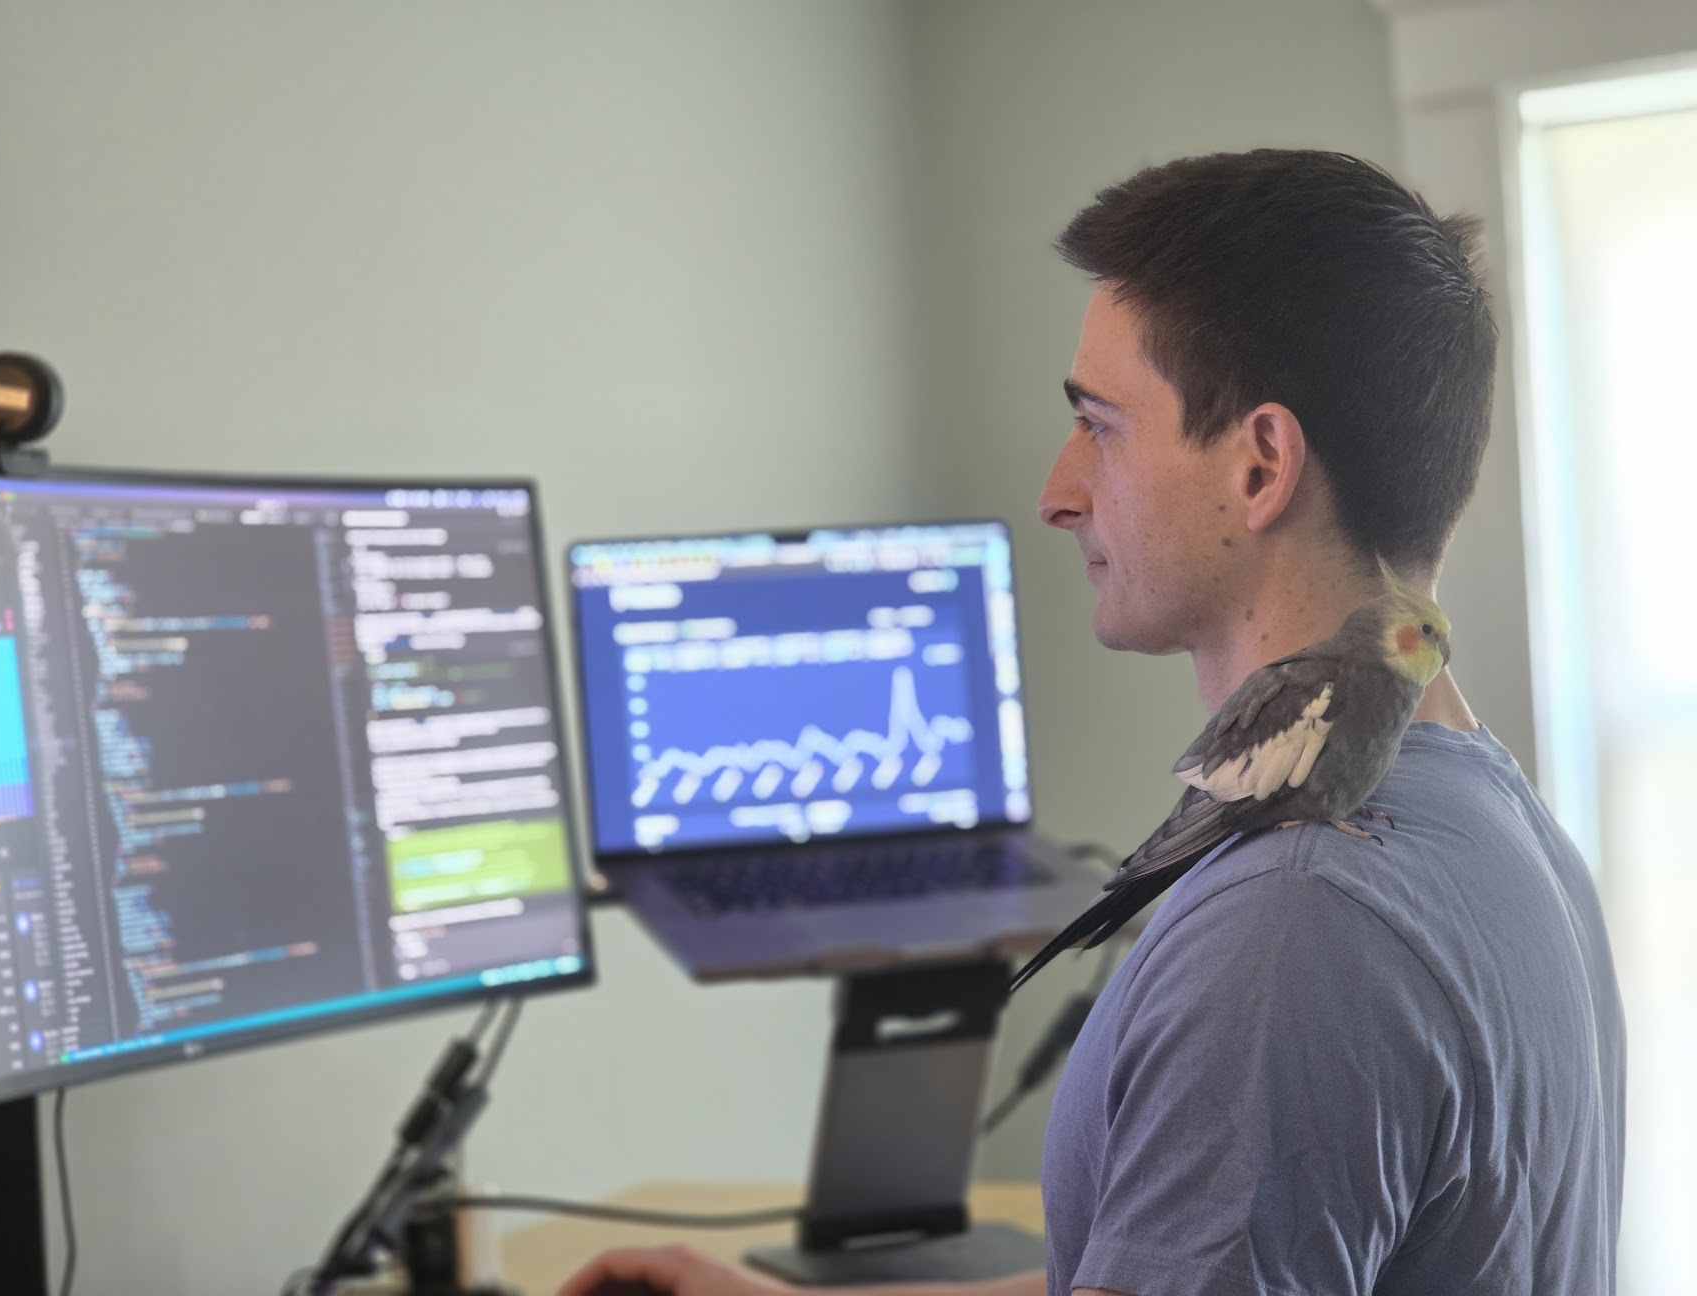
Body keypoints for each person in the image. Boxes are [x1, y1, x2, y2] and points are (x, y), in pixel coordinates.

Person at [558, 150, 1626, 1296]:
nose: (1058, 492)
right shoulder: (1498, 821)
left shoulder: (1291, 926)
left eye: (1101, 426)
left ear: (1261, 465)